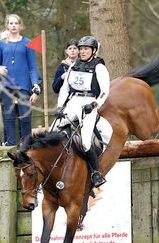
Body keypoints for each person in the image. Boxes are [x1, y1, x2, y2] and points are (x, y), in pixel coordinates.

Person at [53, 35, 110, 188]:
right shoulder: (74, 65)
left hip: (88, 103)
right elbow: (65, 88)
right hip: (73, 102)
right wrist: (60, 107)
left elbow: (105, 90)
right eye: (81, 49)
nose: (83, 52)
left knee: (85, 141)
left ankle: (95, 173)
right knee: (55, 128)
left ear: (93, 50)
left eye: (86, 49)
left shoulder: (99, 66)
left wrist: (95, 104)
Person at [0, 14, 41, 146]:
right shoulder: (1, 44)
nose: (13, 25)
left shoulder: (27, 43)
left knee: (25, 119)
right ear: (7, 26)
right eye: (11, 23)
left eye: (16, 23)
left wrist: (35, 85)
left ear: (20, 25)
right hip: (6, 87)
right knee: (8, 119)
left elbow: (32, 67)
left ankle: (26, 149)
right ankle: (11, 148)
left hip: (24, 87)